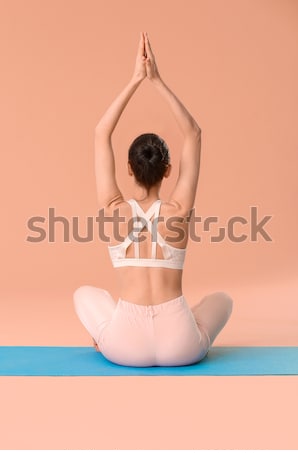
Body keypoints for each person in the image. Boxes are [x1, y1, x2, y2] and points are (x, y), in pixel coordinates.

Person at [73, 32, 233, 367]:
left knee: (86, 295)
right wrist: (157, 80)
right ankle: (192, 332)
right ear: (169, 170)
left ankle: (104, 337)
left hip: (124, 349)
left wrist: (135, 80)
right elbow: (194, 133)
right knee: (222, 300)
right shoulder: (179, 211)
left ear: (128, 169)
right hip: (182, 346)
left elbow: (101, 132)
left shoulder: (113, 210)